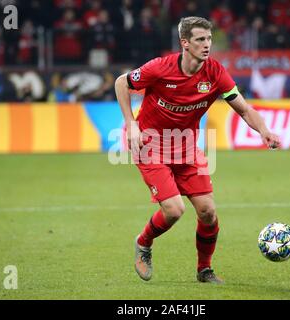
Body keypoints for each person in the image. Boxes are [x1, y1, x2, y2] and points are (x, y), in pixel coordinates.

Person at [114, 16, 280, 284]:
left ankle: (204, 270)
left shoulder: (215, 73)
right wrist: (130, 124)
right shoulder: (160, 68)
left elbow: (244, 108)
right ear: (185, 43)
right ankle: (144, 243)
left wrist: (264, 131)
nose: (207, 45)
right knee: (174, 210)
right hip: (150, 145)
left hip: (187, 148)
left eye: (209, 39)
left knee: (208, 212)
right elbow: (122, 82)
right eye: (200, 40)